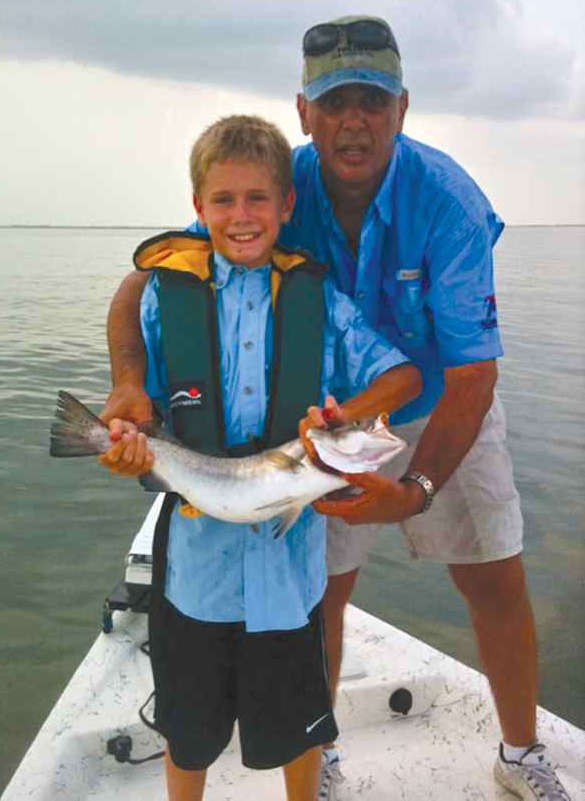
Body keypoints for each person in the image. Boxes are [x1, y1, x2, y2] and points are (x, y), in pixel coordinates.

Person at [100, 17, 571, 801]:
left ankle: (521, 753)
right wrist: (127, 383)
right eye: (335, 102)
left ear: (403, 108)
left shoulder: (449, 203)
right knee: (325, 593)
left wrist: (412, 490)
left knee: (493, 576)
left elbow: (474, 375)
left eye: (372, 100)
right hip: (318, 429)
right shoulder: (277, 186)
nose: (354, 120)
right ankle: (323, 757)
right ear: (304, 112)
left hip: (438, 401)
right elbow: (143, 282)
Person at [99, 114, 422, 801]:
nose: (241, 216)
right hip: (194, 574)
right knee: (187, 736)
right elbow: (143, 399)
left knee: (299, 732)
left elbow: (404, 377)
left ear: (286, 206)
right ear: (198, 209)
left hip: (289, 580)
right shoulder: (166, 297)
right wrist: (130, 435)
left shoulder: (319, 300)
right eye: (223, 200)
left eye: (257, 199)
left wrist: (342, 416)